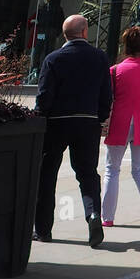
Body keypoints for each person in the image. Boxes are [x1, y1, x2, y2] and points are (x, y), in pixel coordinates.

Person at [34, 14, 111, 247]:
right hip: (87, 122)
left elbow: (44, 95)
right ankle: (93, 215)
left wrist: (40, 115)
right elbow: (106, 94)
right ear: (85, 32)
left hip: (57, 123)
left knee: (46, 175)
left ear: (64, 34)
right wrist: (101, 117)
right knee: (87, 173)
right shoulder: (100, 58)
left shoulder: (53, 58)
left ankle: (43, 229)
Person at [100, 25, 140, 230]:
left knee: (112, 170)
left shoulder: (115, 70)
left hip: (120, 122)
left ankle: (107, 217)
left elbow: (107, 99)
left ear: (125, 48)